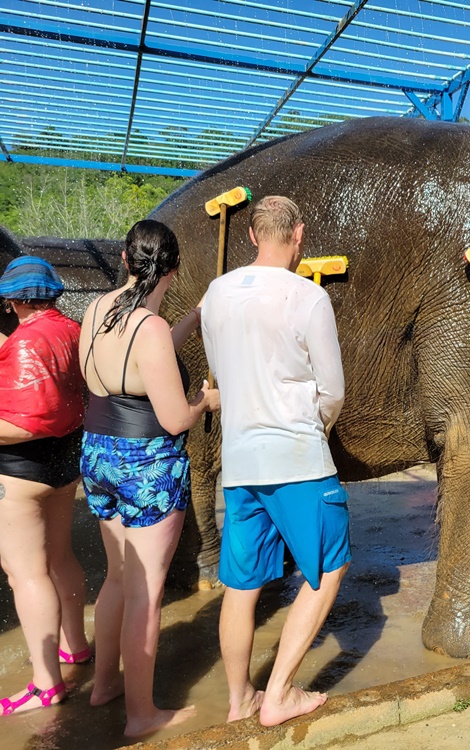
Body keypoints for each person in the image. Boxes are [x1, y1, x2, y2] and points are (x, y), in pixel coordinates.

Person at [200, 195, 349, 727]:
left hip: (240, 462)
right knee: (329, 567)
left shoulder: (215, 294)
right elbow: (332, 388)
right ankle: (280, 693)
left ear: (250, 236)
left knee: (242, 586)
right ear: (299, 235)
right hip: (298, 458)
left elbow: (220, 371)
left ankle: (240, 700)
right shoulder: (308, 297)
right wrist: (319, 427)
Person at [80, 220, 219, 737]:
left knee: (117, 578)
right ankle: (142, 714)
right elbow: (176, 418)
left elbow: (135, 364)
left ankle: (103, 686)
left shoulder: (96, 311)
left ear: (123, 258)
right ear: (175, 271)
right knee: (147, 592)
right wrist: (207, 399)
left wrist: (193, 320)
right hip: (148, 467)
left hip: (97, 456)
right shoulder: (150, 329)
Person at [0, 256, 88, 715]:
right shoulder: (70, 329)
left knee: (26, 572)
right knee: (59, 556)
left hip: (20, 472)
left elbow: (27, 421)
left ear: (13, 300)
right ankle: (76, 646)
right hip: (64, 463)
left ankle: (46, 684)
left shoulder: (25, 343)